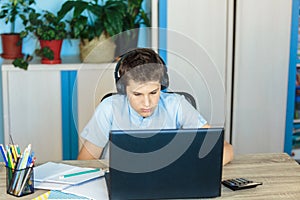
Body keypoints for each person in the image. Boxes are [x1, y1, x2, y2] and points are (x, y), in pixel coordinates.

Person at [78, 48, 234, 165]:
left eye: (153, 92)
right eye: (137, 94)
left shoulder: (177, 105)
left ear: (162, 85)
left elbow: (226, 150)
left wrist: (191, 167)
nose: (147, 103)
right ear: (123, 89)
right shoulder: (109, 109)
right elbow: (85, 162)